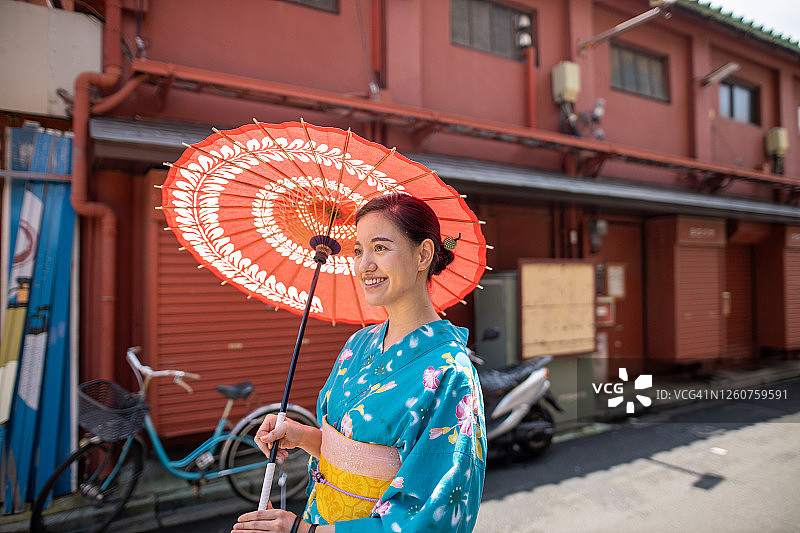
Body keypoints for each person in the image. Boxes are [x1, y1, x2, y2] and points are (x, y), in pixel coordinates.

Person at [232, 193, 486, 533]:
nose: (364, 264)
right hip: (318, 516)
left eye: (380, 248)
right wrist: (301, 436)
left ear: (423, 254)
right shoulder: (359, 343)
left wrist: (301, 531)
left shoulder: (451, 373)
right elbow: (348, 452)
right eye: (358, 250)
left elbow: (428, 518)